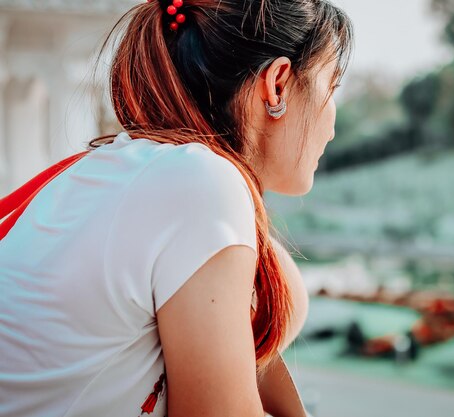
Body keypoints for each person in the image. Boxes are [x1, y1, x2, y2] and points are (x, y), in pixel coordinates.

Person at [0, 0, 353, 416]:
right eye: (330, 88)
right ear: (277, 84)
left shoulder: (122, 170)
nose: (331, 125)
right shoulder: (200, 182)